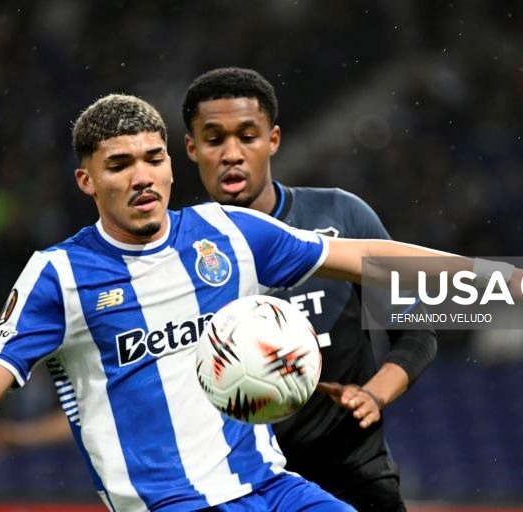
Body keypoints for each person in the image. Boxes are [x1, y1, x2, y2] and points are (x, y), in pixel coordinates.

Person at [0, 94, 523, 511]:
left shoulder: (225, 232)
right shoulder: (58, 276)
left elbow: (363, 259)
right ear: (86, 180)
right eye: (119, 164)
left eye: (152, 159)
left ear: (170, 164)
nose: (141, 177)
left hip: (272, 489)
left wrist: (504, 283)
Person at [180, 67, 437, 511]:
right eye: (214, 138)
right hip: (238, 485)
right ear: (191, 148)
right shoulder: (179, 251)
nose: (231, 154)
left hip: (350, 474)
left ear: (273, 140)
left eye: (248, 135)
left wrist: (373, 394)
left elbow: (416, 330)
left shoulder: (342, 216)